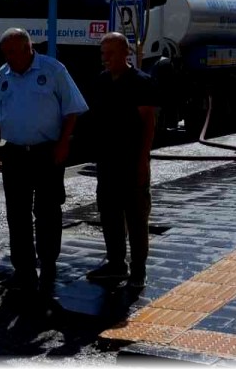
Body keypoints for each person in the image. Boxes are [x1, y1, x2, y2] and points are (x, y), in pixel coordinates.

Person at [0, 28, 88, 299]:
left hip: (46, 152)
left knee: (47, 211)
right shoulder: (3, 74)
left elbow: (73, 109)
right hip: (15, 154)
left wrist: (64, 143)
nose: (6, 57)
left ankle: (49, 265)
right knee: (16, 215)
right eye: (4, 52)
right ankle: (24, 269)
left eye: (11, 52)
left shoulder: (53, 70)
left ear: (27, 49)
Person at [83, 33, 157, 290]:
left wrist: (143, 160)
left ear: (125, 53)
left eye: (110, 54)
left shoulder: (140, 82)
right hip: (107, 161)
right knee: (109, 213)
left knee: (136, 216)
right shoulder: (101, 82)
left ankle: (138, 269)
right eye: (103, 54)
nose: (106, 59)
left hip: (132, 159)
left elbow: (148, 122)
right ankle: (116, 264)